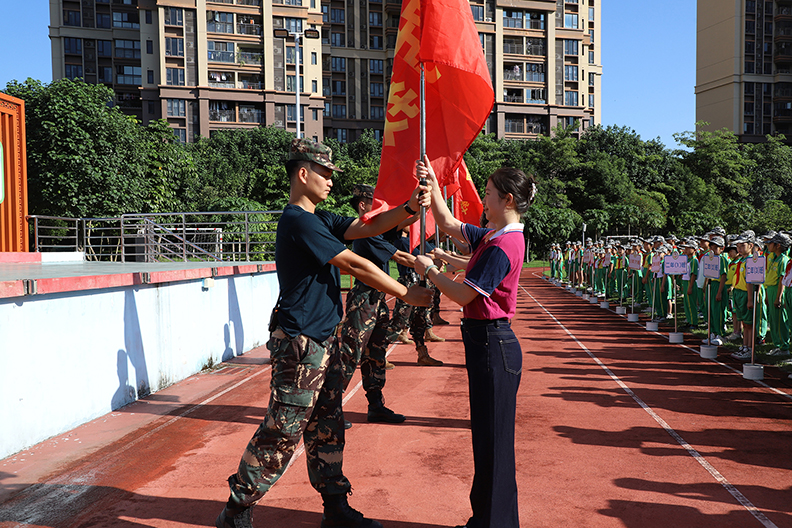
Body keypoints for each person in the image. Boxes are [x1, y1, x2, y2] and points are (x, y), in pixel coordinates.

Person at [216, 138, 433, 528]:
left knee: (327, 424)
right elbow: (353, 263)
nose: (331, 181)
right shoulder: (298, 220)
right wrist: (405, 292)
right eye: (325, 173)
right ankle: (236, 509)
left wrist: (410, 207)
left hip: (324, 339)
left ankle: (335, 508)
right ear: (303, 173)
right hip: (300, 343)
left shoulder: (319, 218)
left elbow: (368, 227)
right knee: (284, 428)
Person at [414, 155, 535, 528]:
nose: (484, 200)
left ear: (507, 201)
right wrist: (432, 181)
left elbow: (465, 296)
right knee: (486, 440)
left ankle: (495, 522)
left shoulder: (504, 245)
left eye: (488, 194)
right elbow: (449, 223)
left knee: (494, 443)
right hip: (485, 343)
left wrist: (430, 270)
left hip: (492, 344)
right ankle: (485, 518)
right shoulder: (495, 235)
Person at [339, 184, 426, 424]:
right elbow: (400, 256)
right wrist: (430, 268)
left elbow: (411, 216)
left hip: (378, 300)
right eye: (374, 203)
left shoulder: (379, 231)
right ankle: (330, 409)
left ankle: (376, 405)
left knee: (375, 354)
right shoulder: (366, 233)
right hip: (364, 300)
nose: (381, 208)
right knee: (350, 354)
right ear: (362, 206)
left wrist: (423, 197)